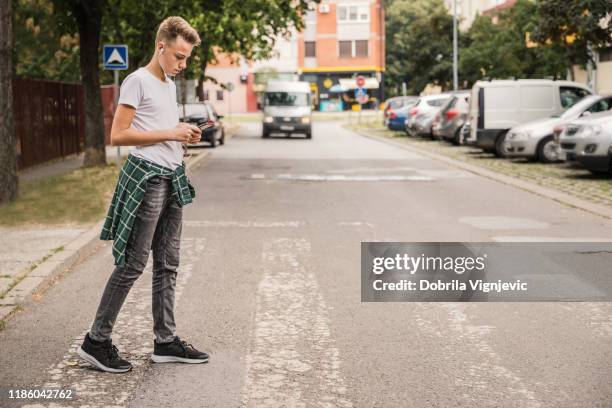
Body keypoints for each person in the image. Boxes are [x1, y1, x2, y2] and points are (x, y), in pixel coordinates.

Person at [77, 16, 209, 373]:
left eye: (187, 59)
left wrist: (183, 135)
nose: (183, 64)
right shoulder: (137, 81)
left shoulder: (168, 84)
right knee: (133, 264)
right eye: (179, 56)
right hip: (147, 179)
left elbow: (161, 130)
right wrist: (170, 132)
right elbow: (118, 135)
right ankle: (96, 341)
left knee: (168, 264)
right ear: (161, 46)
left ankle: (165, 342)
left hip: (172, 177)